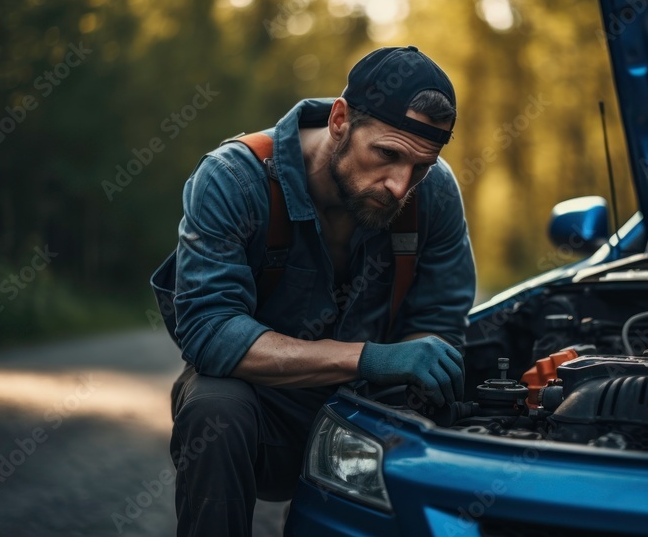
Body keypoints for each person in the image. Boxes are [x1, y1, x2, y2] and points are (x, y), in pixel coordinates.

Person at [157, 45, 477, 536]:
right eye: (387, 155)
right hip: (266, 411)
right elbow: (211, 332)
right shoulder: (233, 179)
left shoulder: (433, 193)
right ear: (340, 120)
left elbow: (438, 325)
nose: (399, 185)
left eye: (421, 166)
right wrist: (365, 357)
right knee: (213, 407)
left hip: (375, 416)